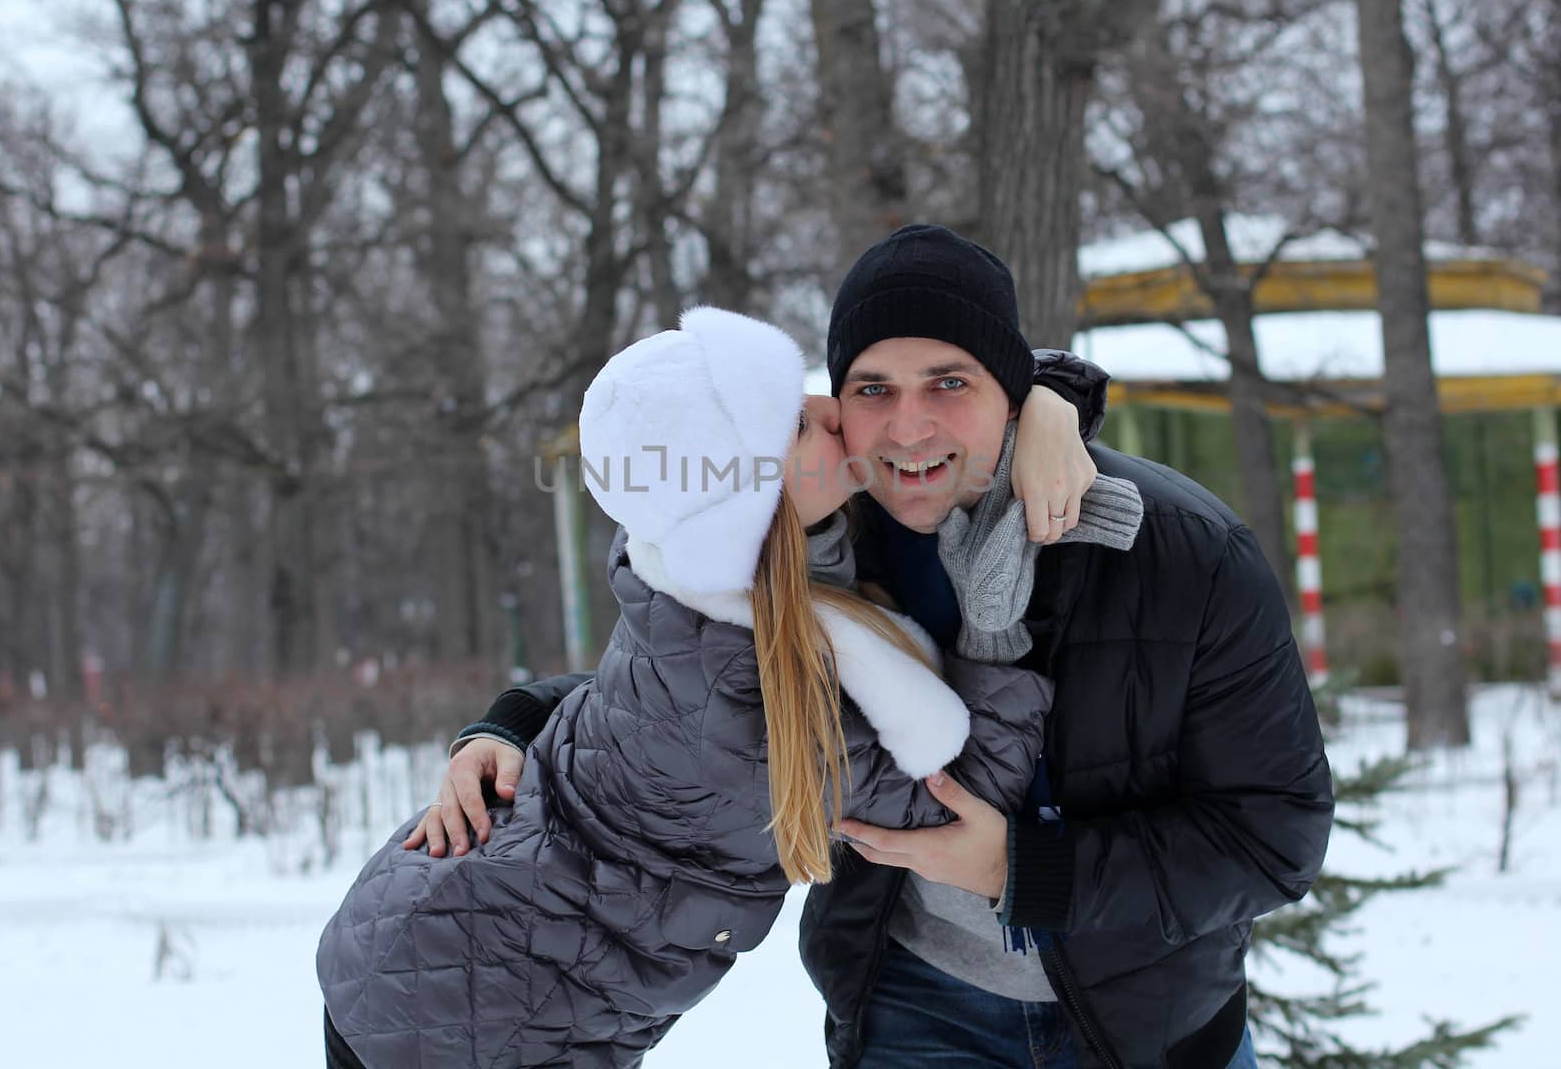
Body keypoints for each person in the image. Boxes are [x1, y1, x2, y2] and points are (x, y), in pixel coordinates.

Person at [430, 226, 1335, 1069]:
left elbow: (1275, 833)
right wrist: (514, 726)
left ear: (1012, 390)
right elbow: (690, 687)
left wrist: (1027, 872)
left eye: (950, 382)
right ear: (834, 403)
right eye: (873, 390)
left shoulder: (1180, 551)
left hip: (1148, 1025)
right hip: (911, 1008)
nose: (908, 429)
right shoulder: (814, 527)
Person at [317, 306, 1125, 1068]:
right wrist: (993, 628)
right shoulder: (756, 706)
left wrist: (1049, 402)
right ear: (754, 506)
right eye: (800, 423)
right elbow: (962, 793)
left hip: (439, 932)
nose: (831, 404)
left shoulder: (686, 586)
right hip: (473, 1016)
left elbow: (621, 706)